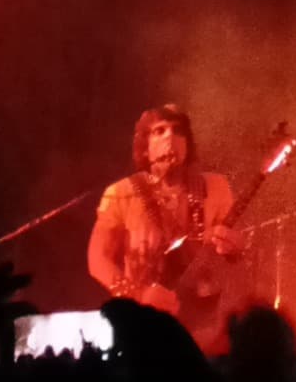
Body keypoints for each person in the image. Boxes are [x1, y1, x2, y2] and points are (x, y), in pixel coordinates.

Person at [87, 104, 241, 320]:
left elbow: (236, 254)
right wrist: (137, 294)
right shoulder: (120, 193)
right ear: (145, 147)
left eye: (178, 131)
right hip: (142, 319)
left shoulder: (216, 187)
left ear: (187, 144)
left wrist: (235, 248)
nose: (170, 137)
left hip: (204, 317)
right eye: (159, 131)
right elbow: (97, 258)